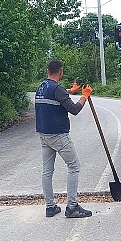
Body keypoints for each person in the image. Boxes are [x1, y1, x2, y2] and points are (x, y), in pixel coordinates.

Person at [35, 59, 93, 218]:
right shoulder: (58, 89)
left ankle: (50, 207)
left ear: (48, 71)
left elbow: (57, 94)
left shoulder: (42, 86)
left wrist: (71, 91)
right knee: (74, 166)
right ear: (61, 72)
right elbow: (74, 109)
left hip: (43, 134)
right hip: (58, 134)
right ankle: (72, 207)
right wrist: (84, 96)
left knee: (47, 171)